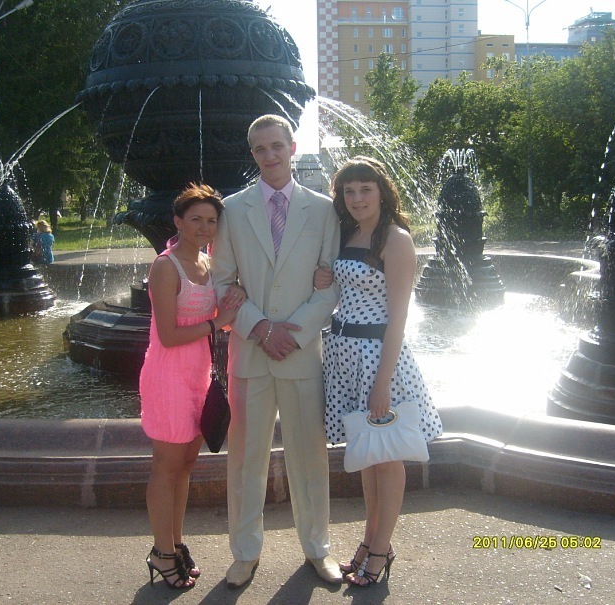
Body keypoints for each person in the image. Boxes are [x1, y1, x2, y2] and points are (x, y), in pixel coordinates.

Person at [210, 114, 342, 588]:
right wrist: (263, 328)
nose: (269, 155)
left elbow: (331, 285)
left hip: (302, 354)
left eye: (276, 146)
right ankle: (245, 552)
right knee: (246, 459)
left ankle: (318, 549)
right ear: (252, 154)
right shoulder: (231, 210)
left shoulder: (324, 210)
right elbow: (221, 282)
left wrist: (295, 334)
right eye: (260, 148)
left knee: (310, 458)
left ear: (292, 147)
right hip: (250, 352)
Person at [316, 156, 443, 587]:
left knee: (386, 458)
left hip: (378, 357)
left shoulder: (395, 239)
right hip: (345, 355)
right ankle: (371, 542)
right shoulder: (348, 232)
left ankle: (381, 549)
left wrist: (383, 383)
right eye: (349, 191)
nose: (356, 199)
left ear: (381, 192)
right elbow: (342, 290)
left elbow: (398, 318)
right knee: (369, 456)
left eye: (365, 190)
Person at [139, 183, 244, 590]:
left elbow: (219, 321)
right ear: (178, 221)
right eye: (196, 219)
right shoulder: (166, 267)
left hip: (199, 376)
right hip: (168, 376)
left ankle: (175, 542)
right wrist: (218, 322)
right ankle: (161, 551)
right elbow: (168, 335)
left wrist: (232, 305)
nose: (204, 227)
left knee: (185, 465)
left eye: (211, 221)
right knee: (166, 466)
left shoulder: (208, 264)